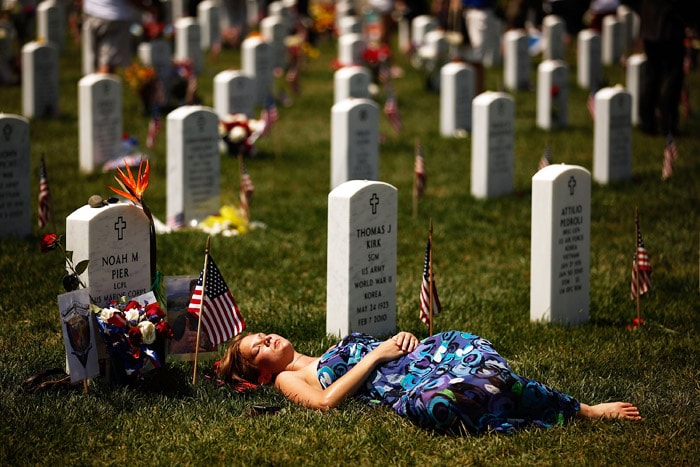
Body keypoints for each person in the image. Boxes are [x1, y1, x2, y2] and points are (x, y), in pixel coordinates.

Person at [216, 329, 642, 435]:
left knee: (479, 360)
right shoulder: (288, 382)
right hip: (402, 387)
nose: (267, 340)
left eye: (262, 335)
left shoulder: (320, 351)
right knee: (459, 395)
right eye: (258, 350)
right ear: (264, 373)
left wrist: (399, 341)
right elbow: (326, 403)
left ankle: (580, 407)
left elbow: (386, 349)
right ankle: (577, 412)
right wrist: (378, 354)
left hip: (420, 358)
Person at [82, 0, 160, 74]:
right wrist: (149, 8)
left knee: (92, 62)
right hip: (114, 16)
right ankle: (102, 86)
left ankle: (93, 84)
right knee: (108, 65)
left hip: (91, 13)